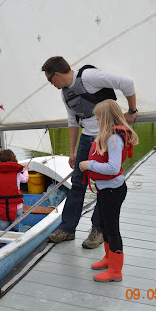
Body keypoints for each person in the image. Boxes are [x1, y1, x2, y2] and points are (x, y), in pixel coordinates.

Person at [41, 56, 138, 248]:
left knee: (104, 184)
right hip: (87, 139)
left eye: (49, 79)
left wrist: (132, 111)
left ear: (57, 74)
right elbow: (72, 121)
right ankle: (67, 228)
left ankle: (98, 230)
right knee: (78, 183)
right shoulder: (65, 93)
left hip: (108, 136)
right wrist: (72, 152)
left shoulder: (89, 77)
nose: (50, 83)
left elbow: (127, 83)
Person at [79, 100, 138, 282]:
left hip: (113, 190)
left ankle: (116, 271)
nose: (96, 122)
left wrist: (89, 164)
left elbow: (113, 168)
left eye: (98, 119)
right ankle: (108, 259)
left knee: (112, 230)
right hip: (105, 190)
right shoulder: (108, 136)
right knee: (104, 226)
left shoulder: (114, 139)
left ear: (106, 119)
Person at [0, 149, 29, 232]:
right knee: (15, 229)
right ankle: (15, 241)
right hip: (17, 207)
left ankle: (3, 243)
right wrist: (26, 170)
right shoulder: (17, 173)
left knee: (3, 230)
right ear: (13, 159)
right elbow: (25, 179)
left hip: (2, 207)